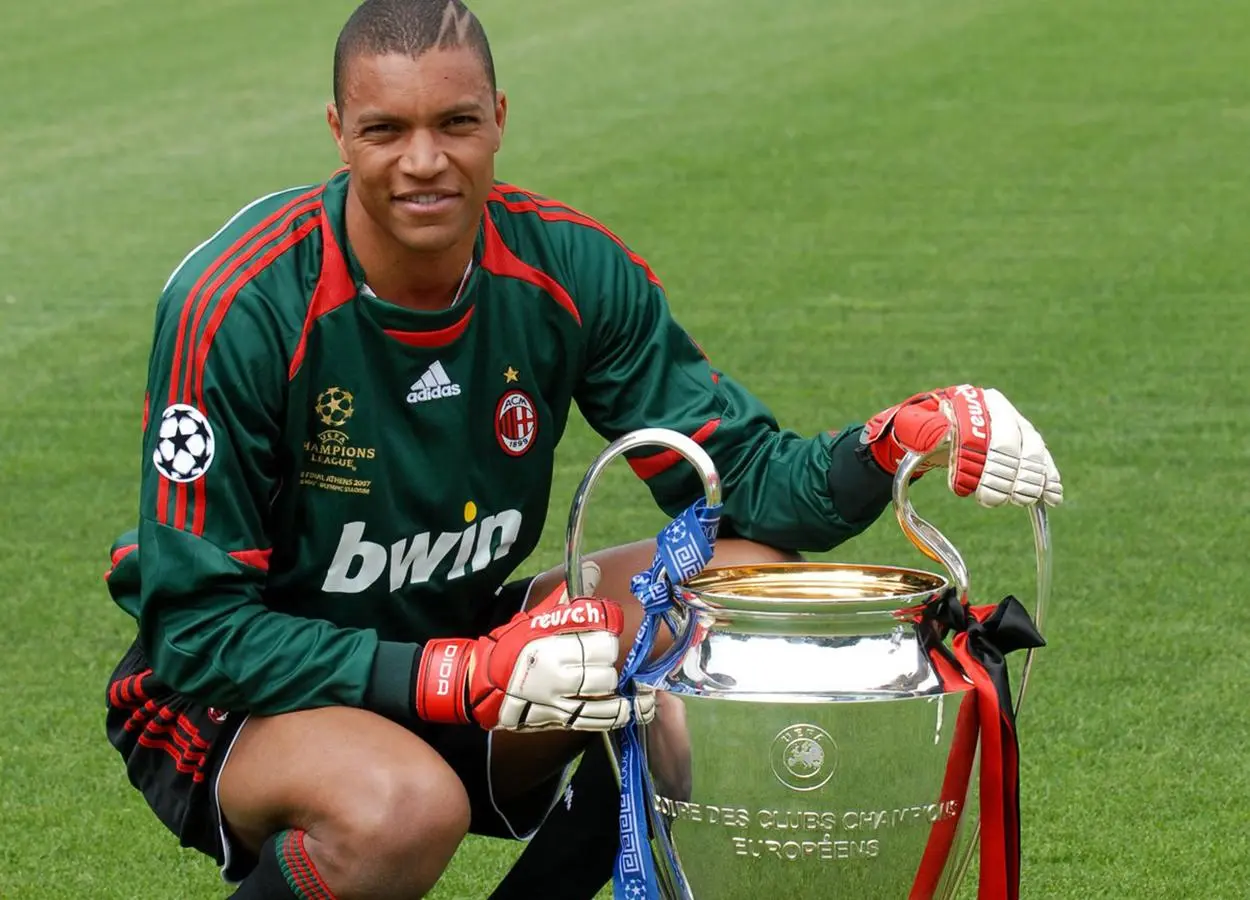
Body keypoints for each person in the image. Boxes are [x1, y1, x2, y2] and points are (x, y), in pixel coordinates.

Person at [101, 1, 1063, 898]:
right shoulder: (239, 305)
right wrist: (454, 676)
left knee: (734, 592)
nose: (424, 161)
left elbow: (752, 489)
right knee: (401, 811)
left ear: (500, 119)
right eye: (386, 130)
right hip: (234, 693)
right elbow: (198, 630)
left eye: (457, 123)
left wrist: (898, 439)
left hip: (461, 635)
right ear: (338, 131)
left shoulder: (566, 268)